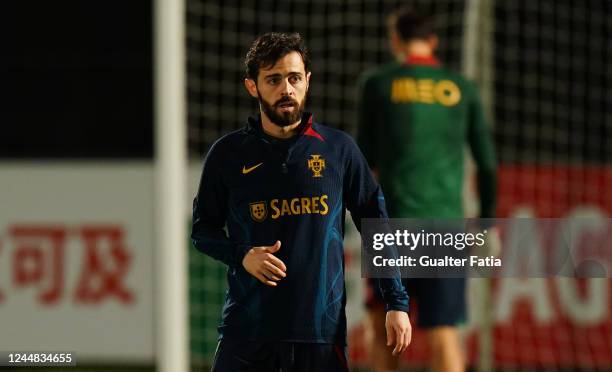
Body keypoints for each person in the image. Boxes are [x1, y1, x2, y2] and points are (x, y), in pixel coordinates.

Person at [192, 32, 412, 372]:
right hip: (247, 333)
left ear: (307, 81)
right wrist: (242, 255)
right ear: (252, 86)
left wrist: (396, 301)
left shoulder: (338, 149)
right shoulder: (228, 154)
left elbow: (376, 225)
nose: (286, 89)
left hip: (320, 336)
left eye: (294, 78)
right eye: (273, 80)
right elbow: (202, 230)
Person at [357, 8, 497, 372]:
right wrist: (485, 225)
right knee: (443, 333)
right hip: (446, 228)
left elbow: (364, 159)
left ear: (395, 40)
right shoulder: (461, 89)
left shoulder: (379, 84)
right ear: (433, 42)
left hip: (393, 227)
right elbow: (487, 165)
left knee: (385, 326)